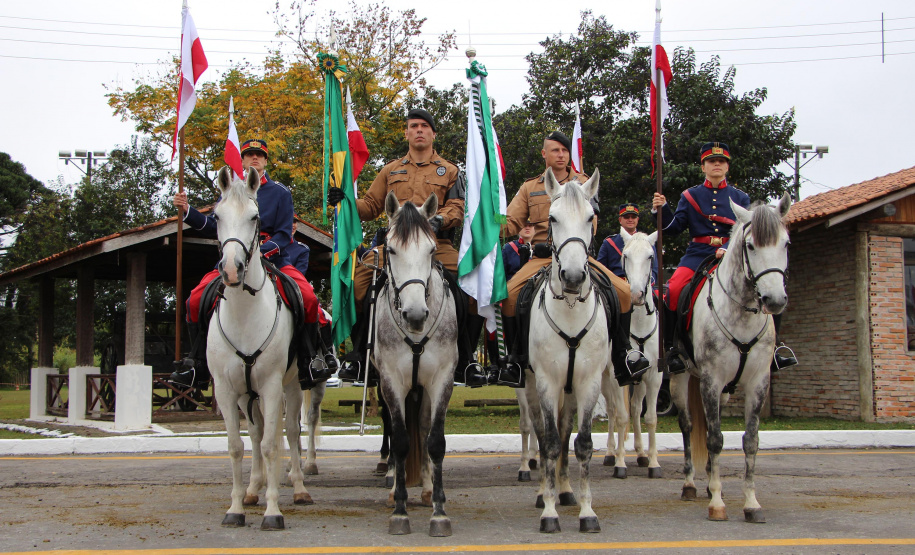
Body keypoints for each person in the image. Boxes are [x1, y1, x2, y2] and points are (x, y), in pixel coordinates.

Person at [327, 108, 488, 387]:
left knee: (471, 287)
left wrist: (440, 219)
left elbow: (458, 207)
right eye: (413, 126)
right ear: (407, 133)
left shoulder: (449, 171)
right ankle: (358, 357)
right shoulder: (390, 170)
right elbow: (371, 206)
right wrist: (345, 200)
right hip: (394, 247)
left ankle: (467, 358)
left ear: (433, 133)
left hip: (436, 244)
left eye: (425, 126)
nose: (419, 130)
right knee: (357, 284)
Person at [170, 139, 334, 389]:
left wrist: (260, 252)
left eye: (259, 155)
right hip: (235, 259)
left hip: (275, 259)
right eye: (249, 155)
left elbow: (283, 235)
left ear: (266, 161)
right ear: (242, 160)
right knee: (193, 300)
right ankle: (197, 364)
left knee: (309, 299)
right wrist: (188, 211)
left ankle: (310, 360)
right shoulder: (230, 192)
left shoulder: (280, 192)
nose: (254, 159)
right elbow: (216, 227)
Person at [497, 131, 650, 388]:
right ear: (544, 154)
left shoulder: (584, 183)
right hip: (541, 258)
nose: (560, 155)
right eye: (554, 150)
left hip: (579, 257)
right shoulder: (530, 187)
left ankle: (623, 354)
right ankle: (516, 361)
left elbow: (593, 223)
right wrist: (491, 221)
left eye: (564, 151)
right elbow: (511, 221)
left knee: (623, 292)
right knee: (510, 296)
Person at [652, 141, 797, 373]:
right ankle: (672, 350)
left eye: (721, 161)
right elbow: (672, 228)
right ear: (703, 167)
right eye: (711, 161)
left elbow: (746, 229)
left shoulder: (740, 197)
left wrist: (728, 247)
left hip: (734, 255)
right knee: (674, 290)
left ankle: (775, 348)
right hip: (697, 255)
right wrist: (661, 209)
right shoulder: (690, 196)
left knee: (768, 287)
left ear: (727, 167)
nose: (716, 164)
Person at [597, 203, 658, 284]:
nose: (630, 220)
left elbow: (654, 268)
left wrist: (648, 283)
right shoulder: (609, 243)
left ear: (637, 219)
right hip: (615, 287)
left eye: (633, 217)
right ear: (620, 220)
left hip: (642, 285)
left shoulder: (647, 242)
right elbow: (599, 269)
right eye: (626, 217)